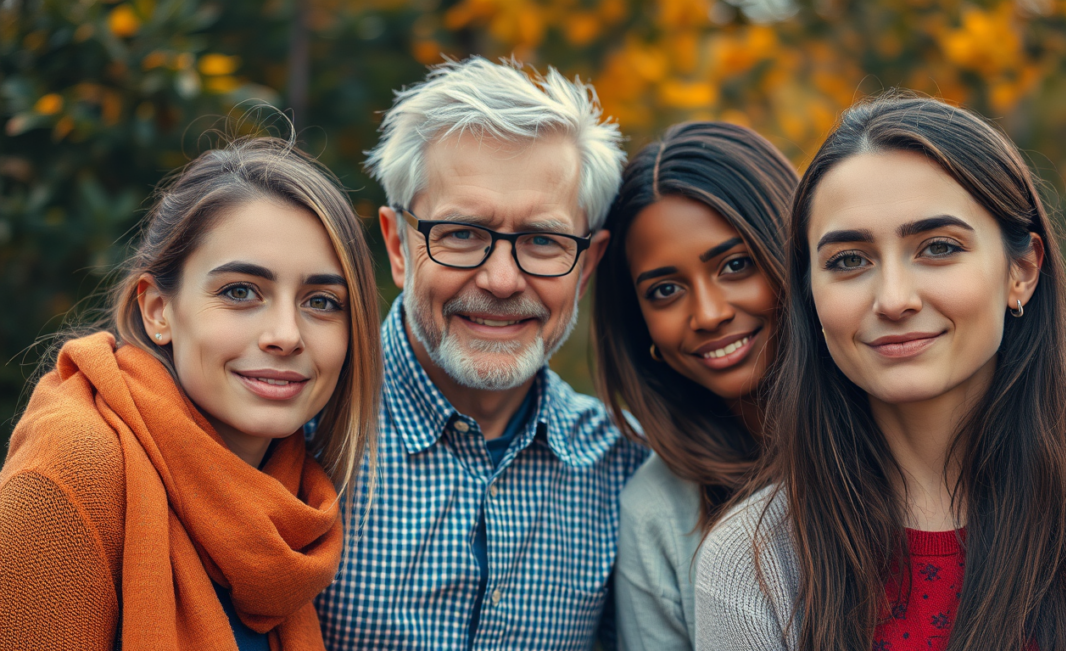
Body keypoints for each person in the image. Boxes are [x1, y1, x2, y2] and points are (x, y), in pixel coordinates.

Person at [695, 93, 1066, 651]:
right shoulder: (752, 563)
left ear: (1021, 271)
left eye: (937, 247)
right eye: (849, 260)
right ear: (810, 294)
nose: (894, 299)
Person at [314, 57, 648, 650]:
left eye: (543, 240)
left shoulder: (625, 470)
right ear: (398, 245)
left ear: (587, 265)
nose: (500, 280)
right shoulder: (299, 430)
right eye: (463, 233)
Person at [0, 135, 382, 651]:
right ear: (158, 310)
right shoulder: (71, 472)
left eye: (321, 301)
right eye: (240, 292)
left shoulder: (292, 493)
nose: (287, 335)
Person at [591, 121, 797, 651]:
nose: (708, 314)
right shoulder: (659, 512)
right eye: (664, 290)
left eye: (736, 265)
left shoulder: (906, 425)